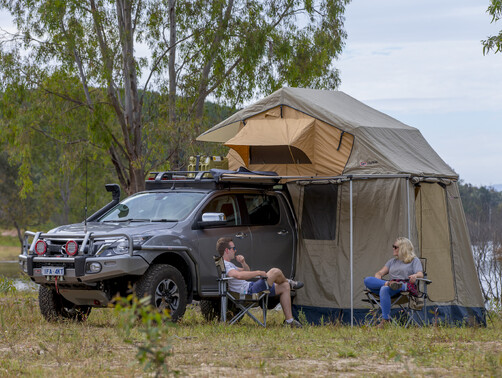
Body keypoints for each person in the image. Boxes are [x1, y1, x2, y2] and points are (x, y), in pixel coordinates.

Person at [216, 237, 304, 328]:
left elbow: (246, 270)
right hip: (248, 291)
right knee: (275, 271)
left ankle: (289, 321)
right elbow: (239, 275)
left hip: (250, 287)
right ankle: (289, 282)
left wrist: (243, 262)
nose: (235, 250)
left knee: (284, 286)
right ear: (227, 250)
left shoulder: (229, 264)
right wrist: (258, 272)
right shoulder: (226, 265)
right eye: (233, 248)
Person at [363, 237, 423, 326]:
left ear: (403, 248)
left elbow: (420, 274)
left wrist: (415, 275)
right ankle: (388, 283)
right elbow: (380, 272)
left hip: (404, 287)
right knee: (367, 280)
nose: (393, 248)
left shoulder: (414, 260)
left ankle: (385, 321)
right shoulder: (392, 262)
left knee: (384, 289)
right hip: (390, 286)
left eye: (395, 247)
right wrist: (378, 275)